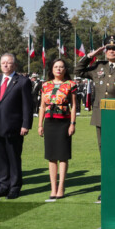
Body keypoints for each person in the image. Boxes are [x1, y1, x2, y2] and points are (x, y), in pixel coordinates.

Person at [74, 35, 115, 155]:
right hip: (100, 113)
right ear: (105, 51)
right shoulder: (98, 66)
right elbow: (78, 71)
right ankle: (107, 173)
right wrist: (90, 56)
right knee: (103, 146)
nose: (111, 51)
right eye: (108, 49)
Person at [0, 53, 33, 200]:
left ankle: (14, 187)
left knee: (13, 158)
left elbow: (27, 105)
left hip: (14, 127)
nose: (5, 65)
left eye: (9, 63)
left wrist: (26, 124)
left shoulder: (22, 81)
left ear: (15, 65)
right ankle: (2, 186)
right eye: (3, 63)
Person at [37, 58, 77, 200]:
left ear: (65, 69)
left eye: (61, 67)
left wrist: (73, 123)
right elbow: (42, 106)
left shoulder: (71, 84)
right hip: (49, 122)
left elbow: (73, 106)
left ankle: (61, 187)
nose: (59, 69)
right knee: (51, 156)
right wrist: (40, 124)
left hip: (64, 123)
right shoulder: (45, 85)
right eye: (56, 67)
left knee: (63, 155)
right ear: (52, 69)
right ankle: (53, 188)